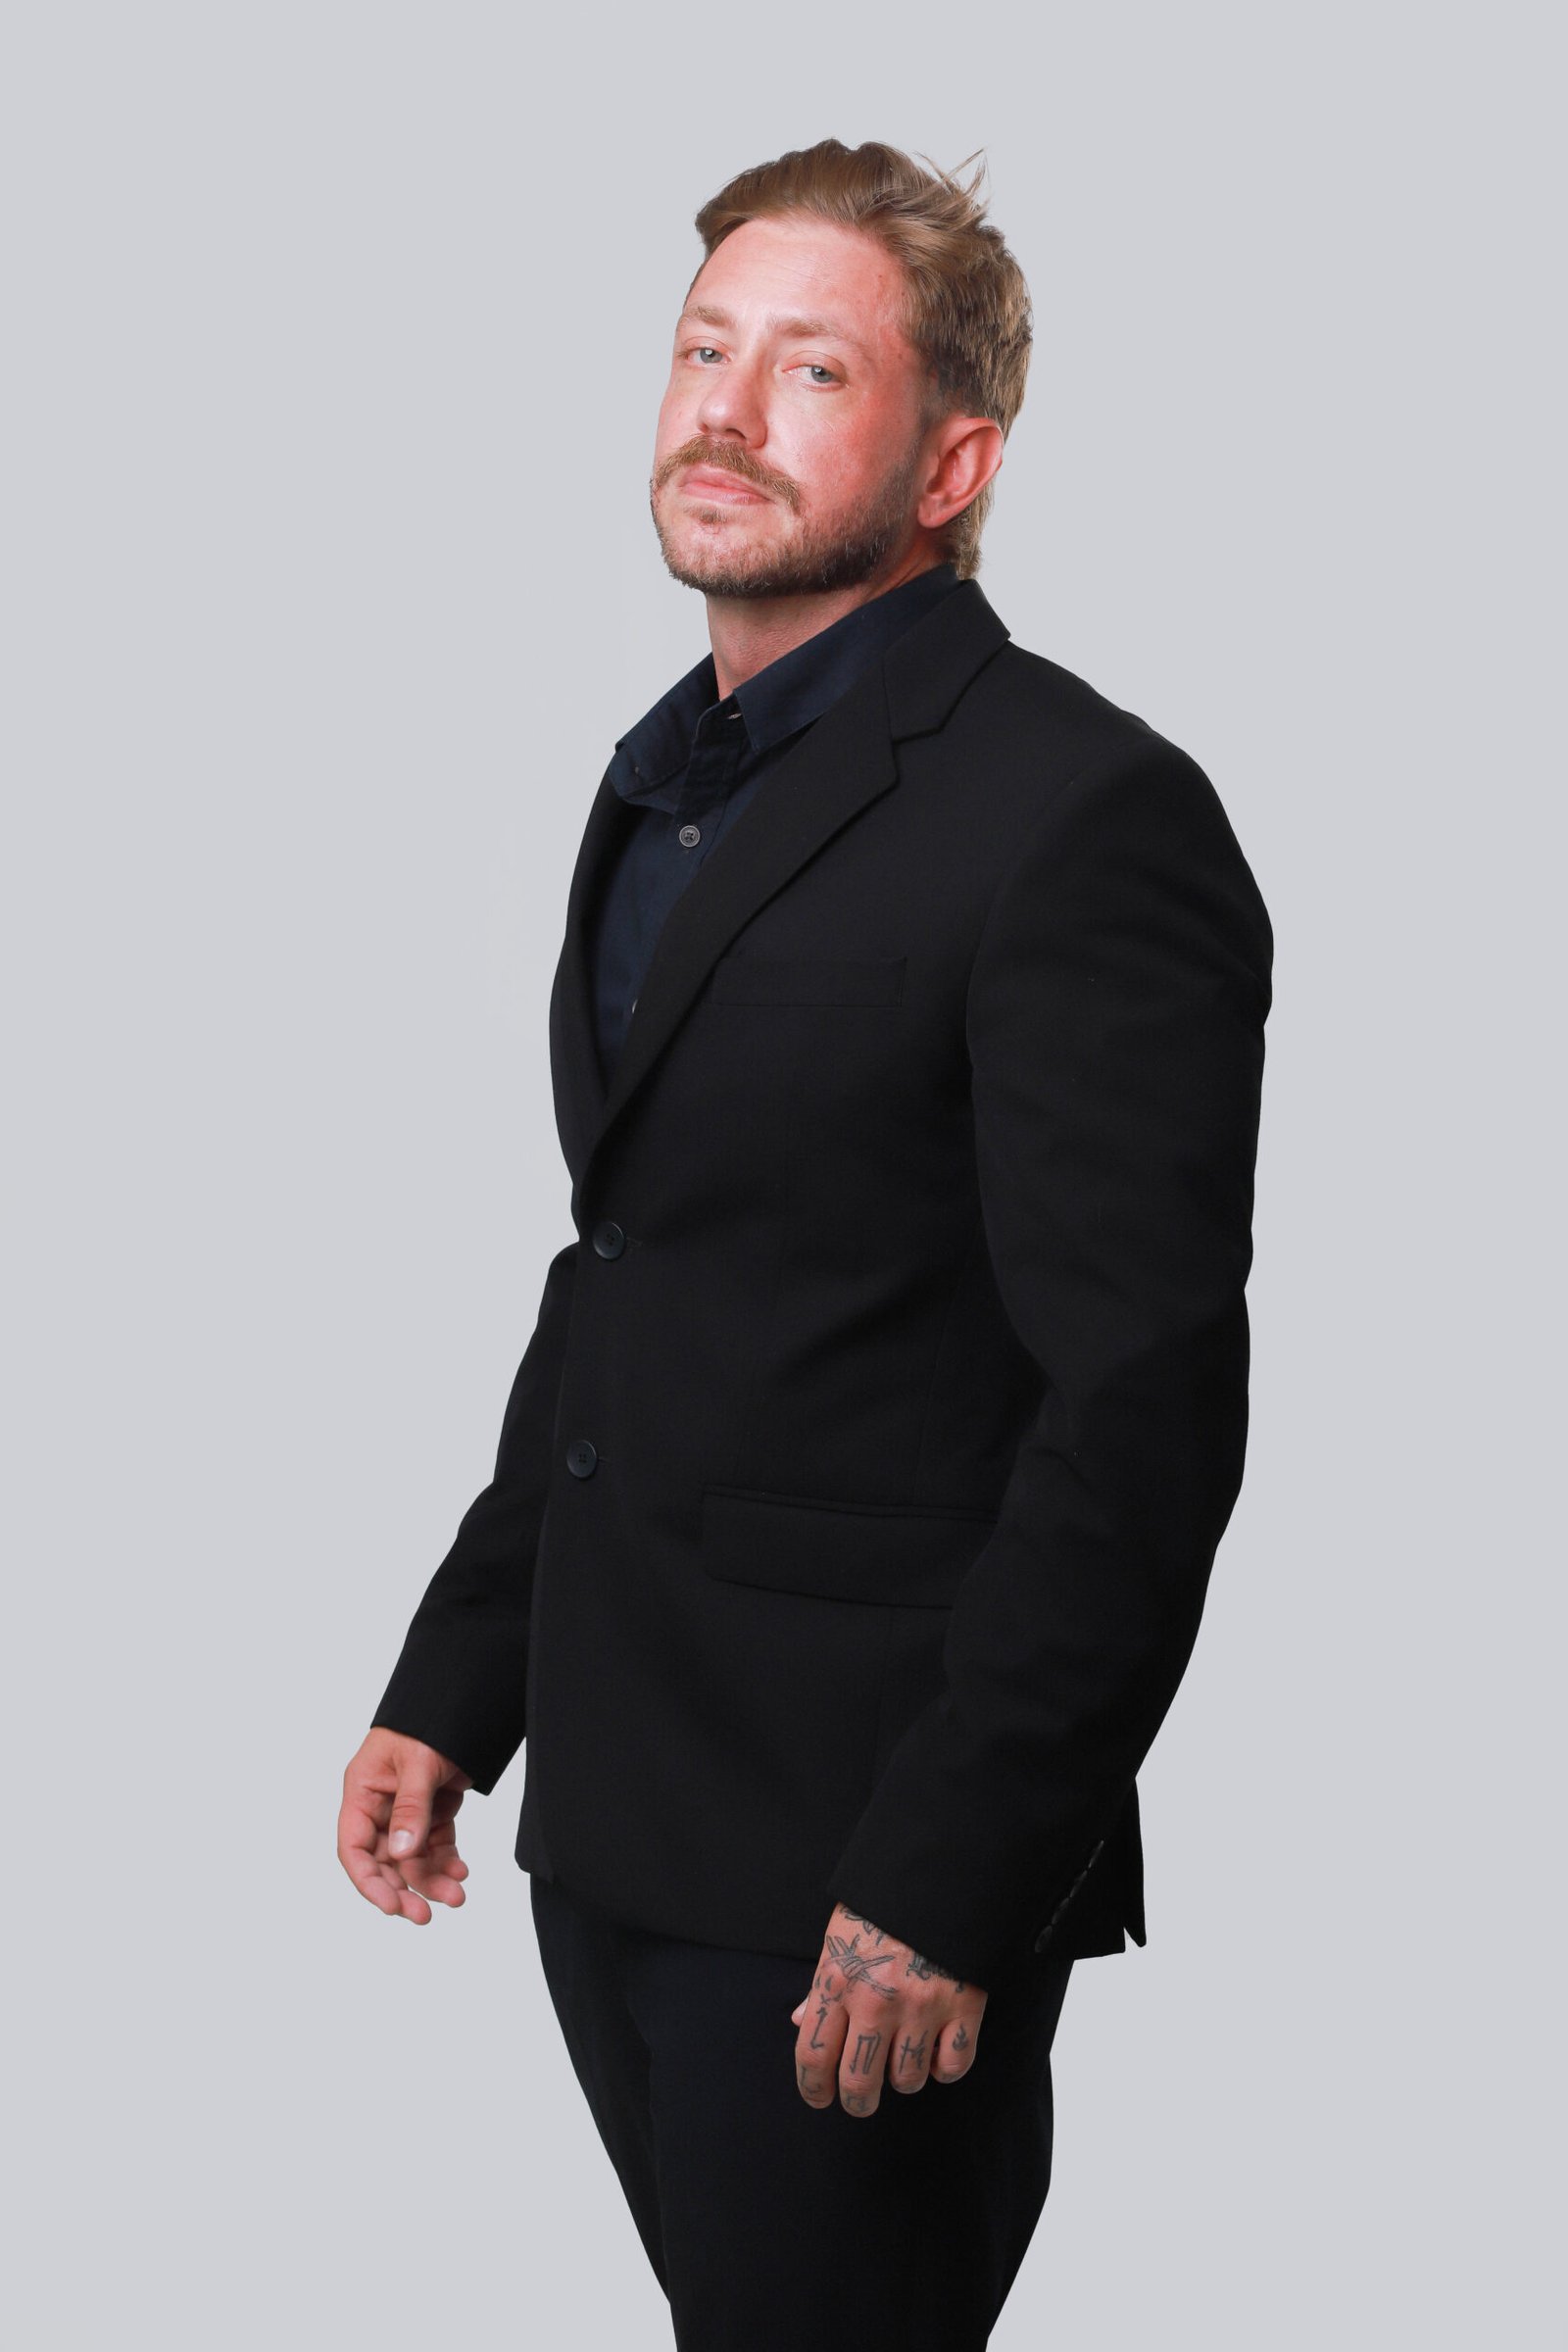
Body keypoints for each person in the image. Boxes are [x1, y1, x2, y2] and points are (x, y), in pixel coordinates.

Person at [337, 137, 1272, 2347]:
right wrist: (462, 1679)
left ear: (952, 464)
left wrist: (954, 1876)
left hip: (863, 1880)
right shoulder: (669, 778)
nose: (727, 412)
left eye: (813, 369)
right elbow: (634, 1261)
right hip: (619, 1825)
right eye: (702, 351)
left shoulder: (1084, 814)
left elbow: (1140, 1412)